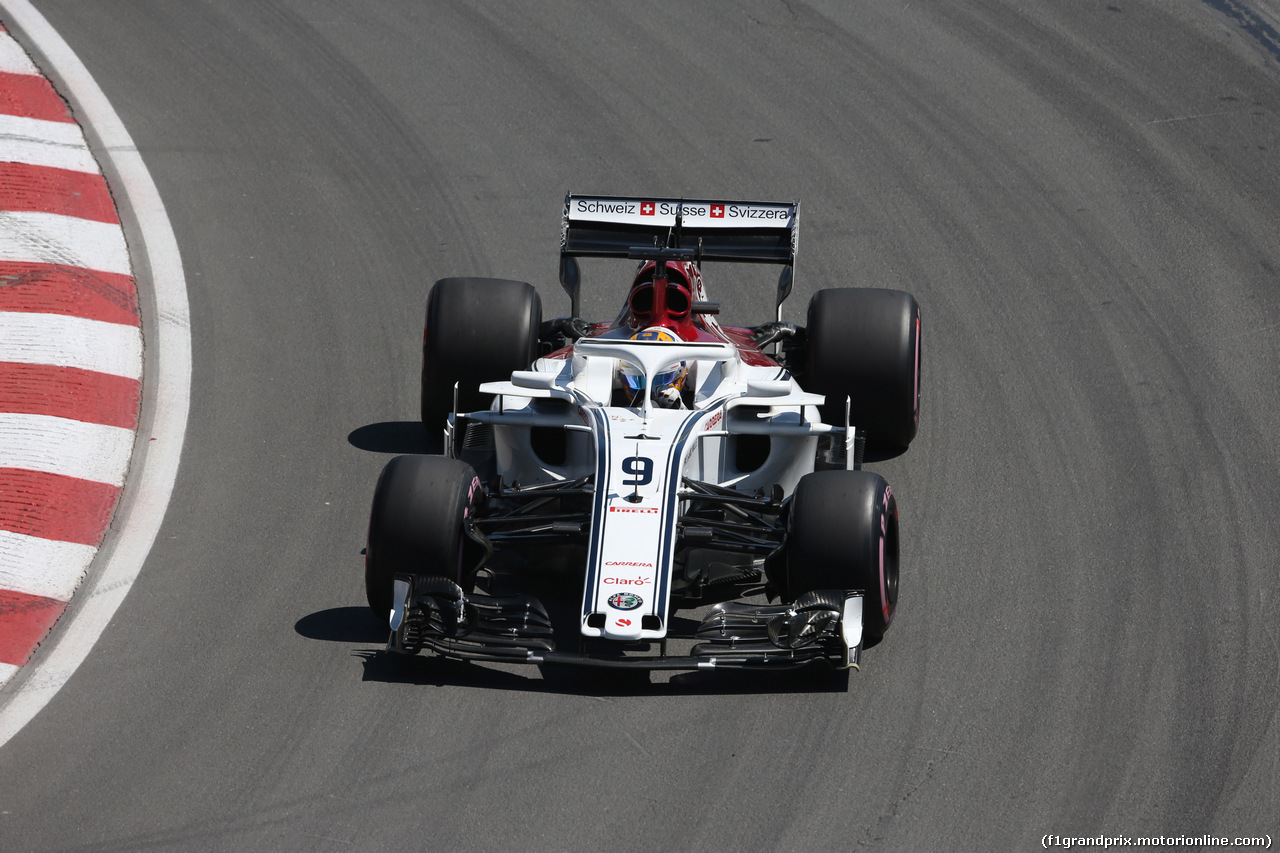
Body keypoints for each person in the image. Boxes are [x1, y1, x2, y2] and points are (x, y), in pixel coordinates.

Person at [618, 327, 688, 408]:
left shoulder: (693, 397)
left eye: (658, 380)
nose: (650, 390)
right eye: (640, 381)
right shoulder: (614, 398)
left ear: (680, 372)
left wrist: (679, 406)